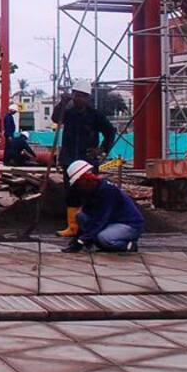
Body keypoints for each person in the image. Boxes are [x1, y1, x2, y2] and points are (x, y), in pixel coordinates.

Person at [52, 80, 117, 237]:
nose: (77, 98)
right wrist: (62, 103)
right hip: (70, 159)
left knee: (89, 192)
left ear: (87, 97)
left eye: (81, 96)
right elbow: (56, 119)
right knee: (71, 192)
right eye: (75, 95)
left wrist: (101, 149)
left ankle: (90, 224)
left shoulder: (95, 115)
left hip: (86, 160)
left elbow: (110, 131)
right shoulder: (69, 113)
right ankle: (73, 227)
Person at [61, 159, 144, 252]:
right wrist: (78, 237)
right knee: (80, 216)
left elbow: (100, 218)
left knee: (103, 239)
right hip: (111, 221)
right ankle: (96, 241)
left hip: (129, 224)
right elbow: (88, 214)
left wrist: (82, 240)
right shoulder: (91, 190)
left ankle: (128, 246)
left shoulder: (107, 191)